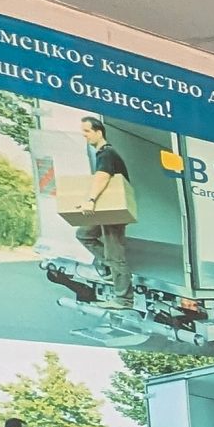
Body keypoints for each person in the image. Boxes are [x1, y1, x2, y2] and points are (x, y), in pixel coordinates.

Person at [77, 115, 132, 304]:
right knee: (84, 234)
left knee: (115, 255)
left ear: (98, 132)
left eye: (87, 131)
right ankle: (111, 269)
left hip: (114, 212)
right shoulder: (103, 154)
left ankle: (124, 299)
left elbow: (102, 177)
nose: (84, 135)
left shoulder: (107, 153)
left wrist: (91, 200)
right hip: (106, 210)